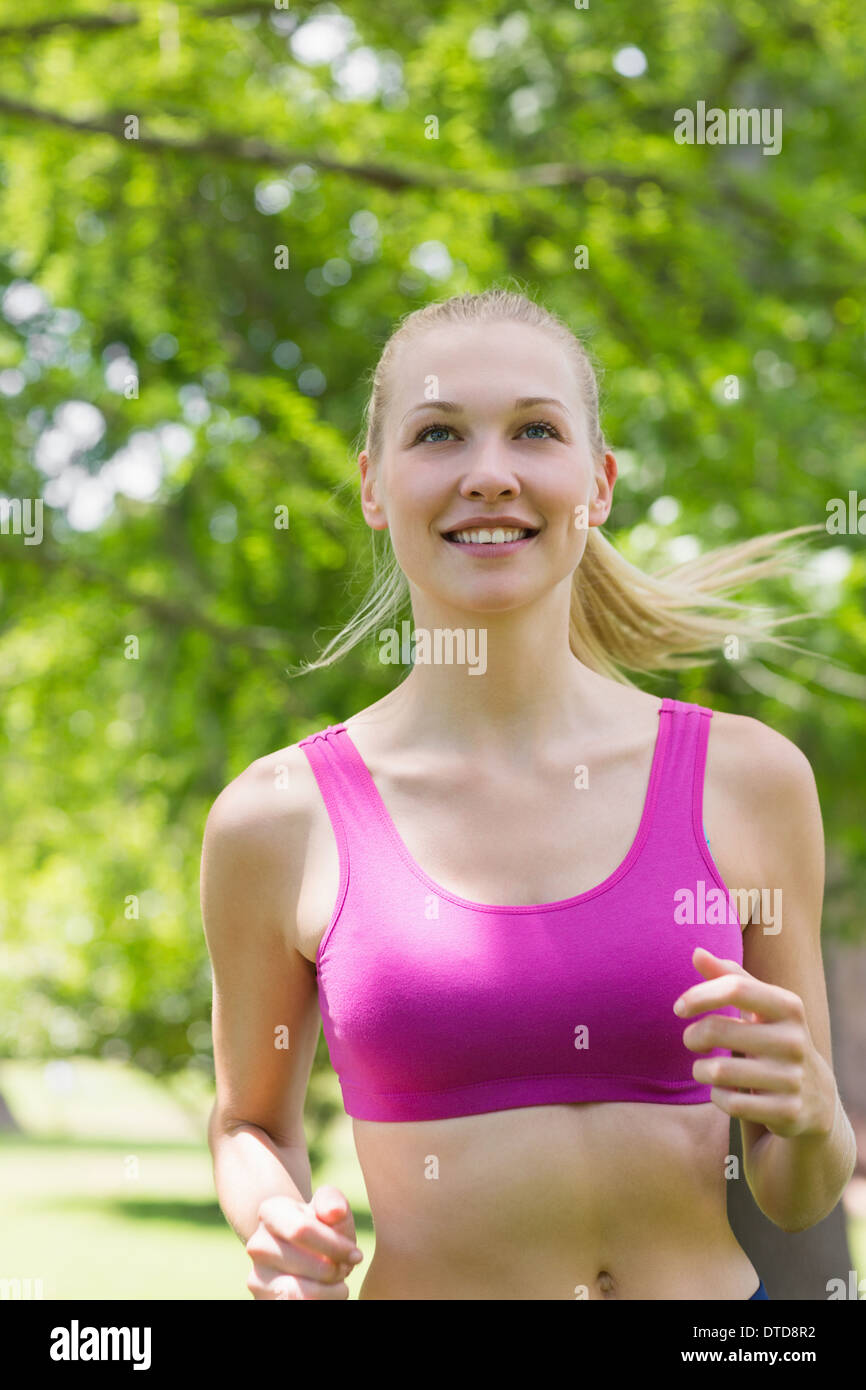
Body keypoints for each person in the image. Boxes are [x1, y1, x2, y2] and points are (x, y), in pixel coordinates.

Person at [201, 287, 856, 1300]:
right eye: (437, 434)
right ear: (373, 485)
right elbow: (248, 1122)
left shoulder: (750, 778)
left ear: (595, 483)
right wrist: (277, 1225)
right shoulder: (276, 817)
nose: (489, 474)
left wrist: (815, 1118)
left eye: (534, 431)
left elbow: (791, 1189)